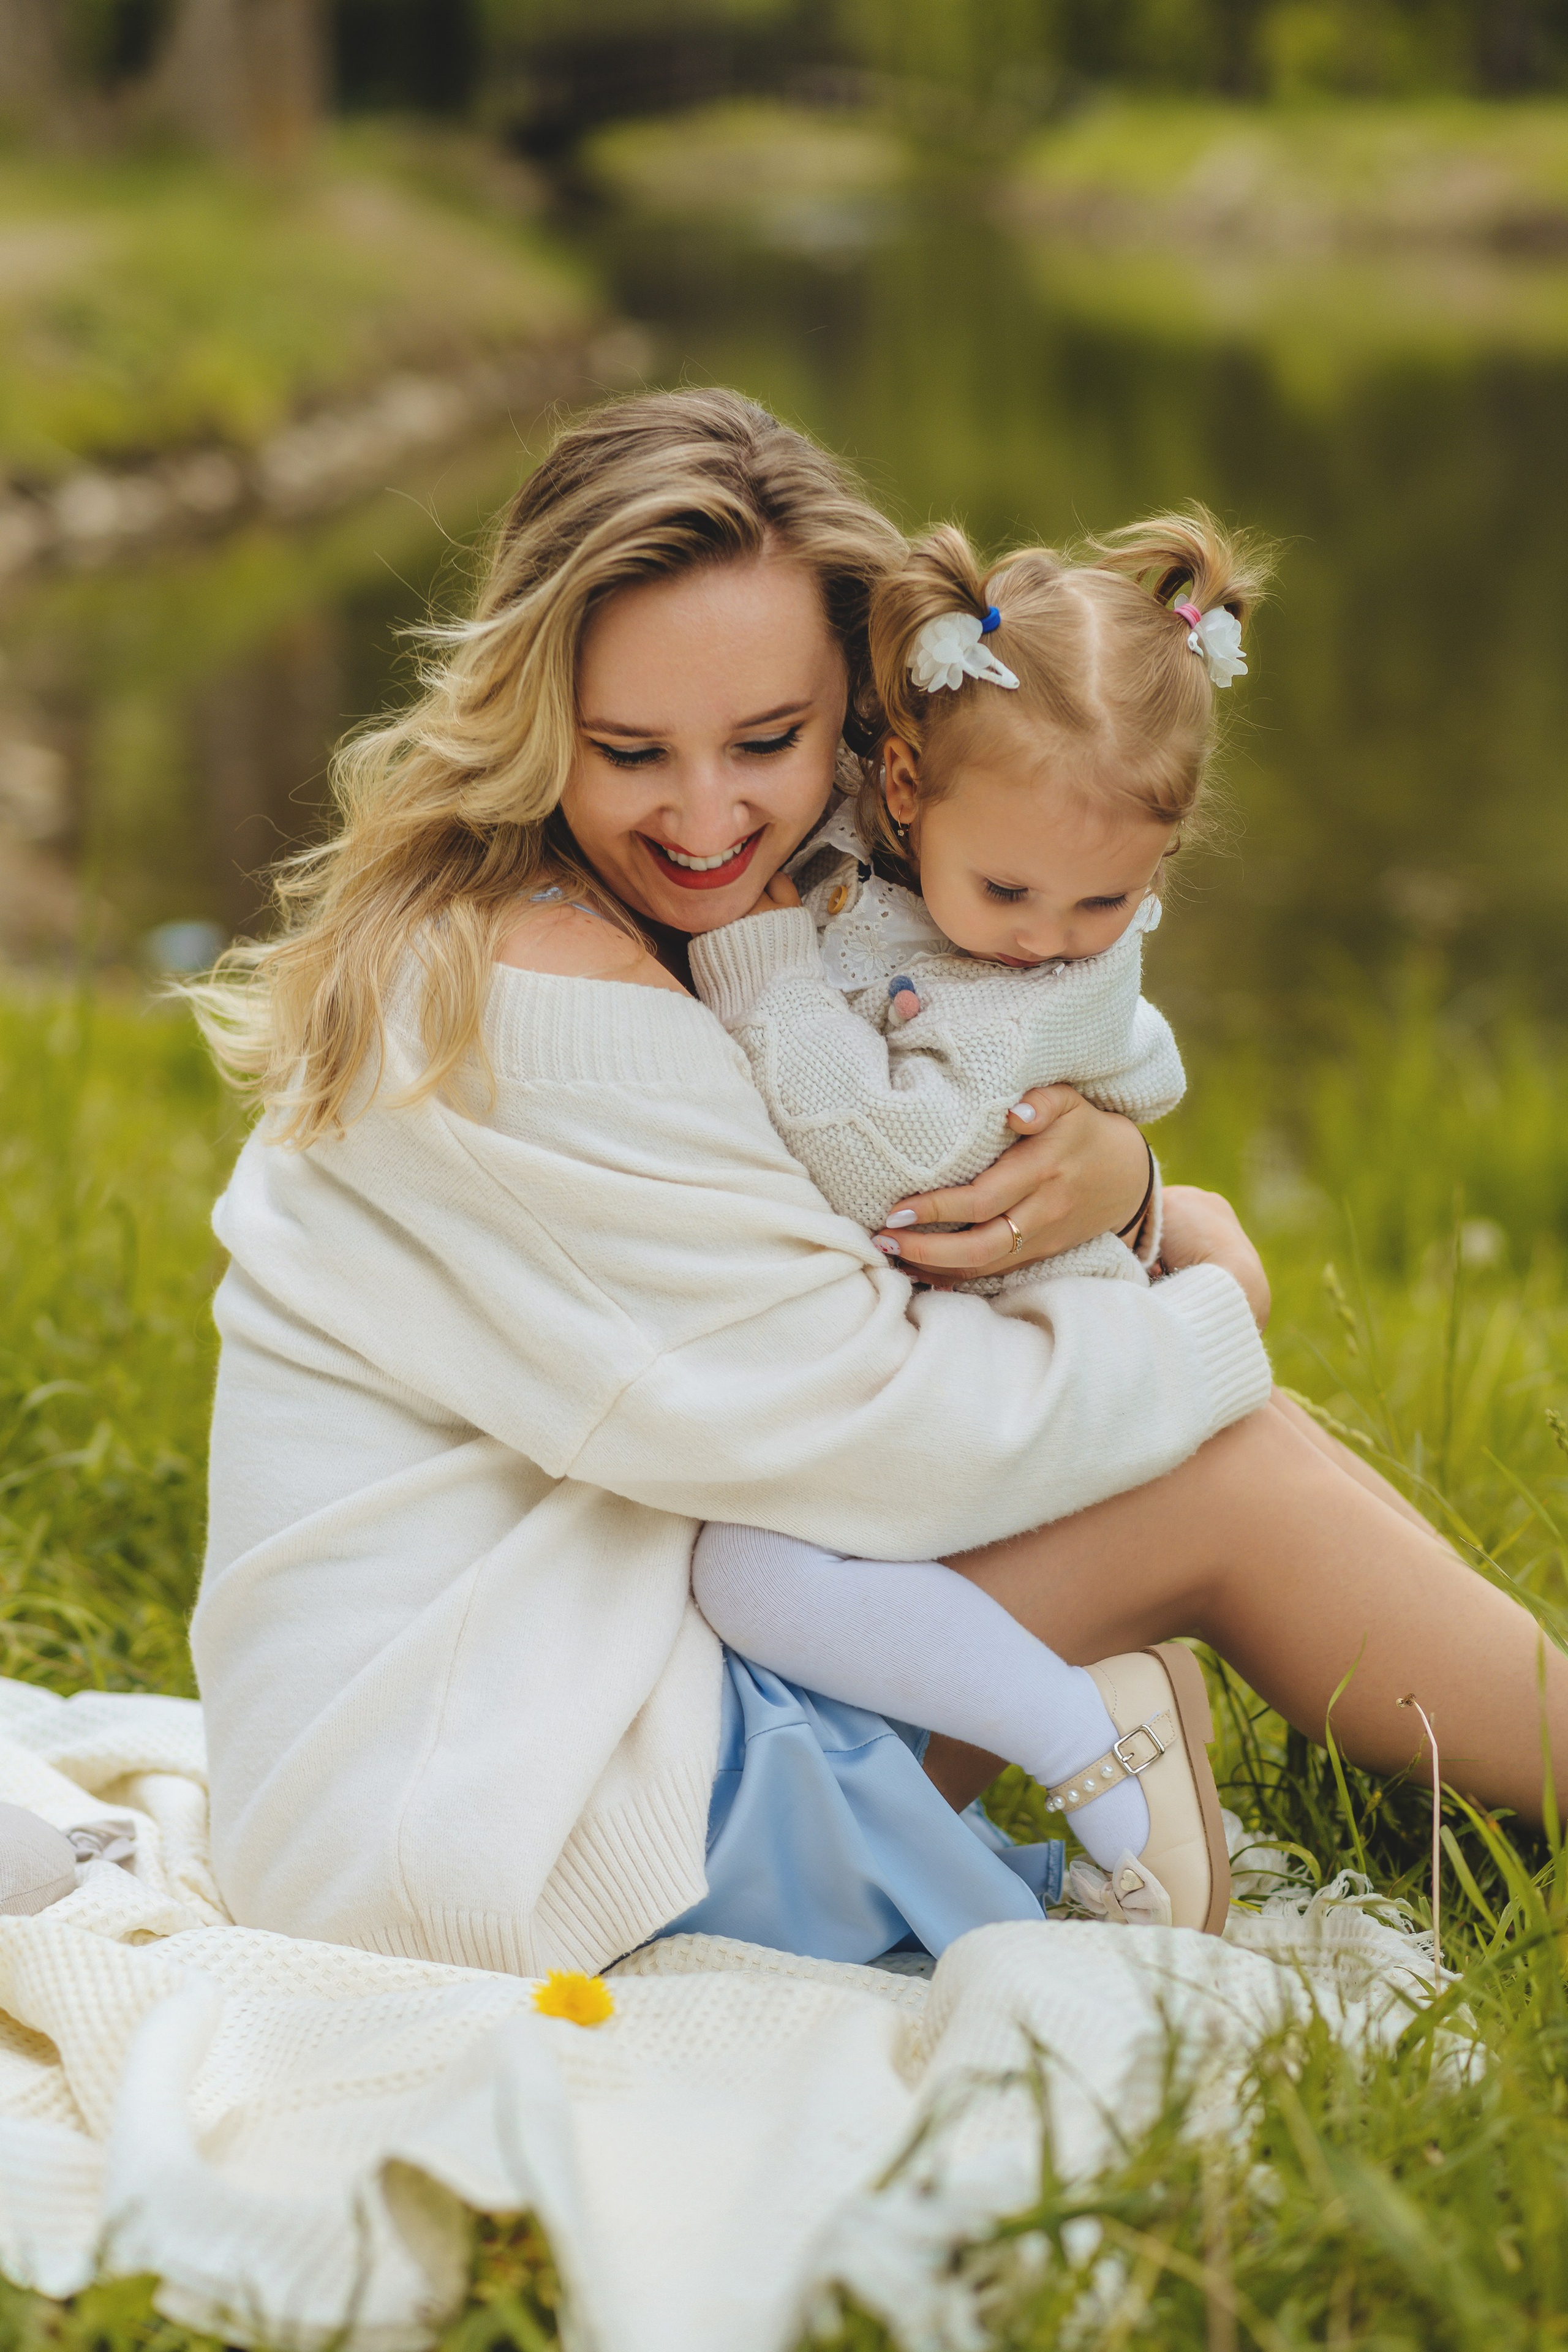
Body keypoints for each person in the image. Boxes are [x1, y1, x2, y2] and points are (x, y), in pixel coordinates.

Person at [188, 386, 1568, 1978]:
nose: (708, 818)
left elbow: (892, 1190)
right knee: (1223, 1466)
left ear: (860, 709)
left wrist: (1122, 1196)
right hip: (504, 1825)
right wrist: (1199, 1303)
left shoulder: (731, 900)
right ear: (533, 718)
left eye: (768, 741)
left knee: (1215, 1420)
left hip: (583, 1682)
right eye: (630, 749)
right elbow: (875, 1432)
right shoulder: (530, 1001)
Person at [688, 511, 1265, 1930]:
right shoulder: (896, 854)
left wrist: (755, 963)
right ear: (898, 788)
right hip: (966, 1333)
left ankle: (1067, 1730)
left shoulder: (1053, 980)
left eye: (1105, 898)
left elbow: (887, 1156)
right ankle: (1127, 1729)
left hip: (1033, 1341)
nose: (1043, 930)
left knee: (750, 1574)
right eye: (1005, 888)